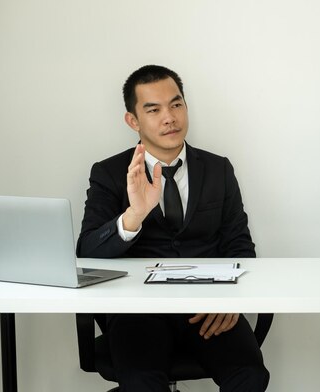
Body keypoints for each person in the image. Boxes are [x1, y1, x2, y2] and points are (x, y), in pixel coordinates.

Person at [76, 65, 269, 392]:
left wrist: (232, 299)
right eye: (153, 109)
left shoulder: (218, 169)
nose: (169, 117)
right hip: (138, 312)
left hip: (208, 308)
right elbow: (87, 253)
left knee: (250, 376)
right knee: (141, 383)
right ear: (133, 121)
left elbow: (239, 246)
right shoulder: (109, 173)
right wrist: (134, 215)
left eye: (176, 104)